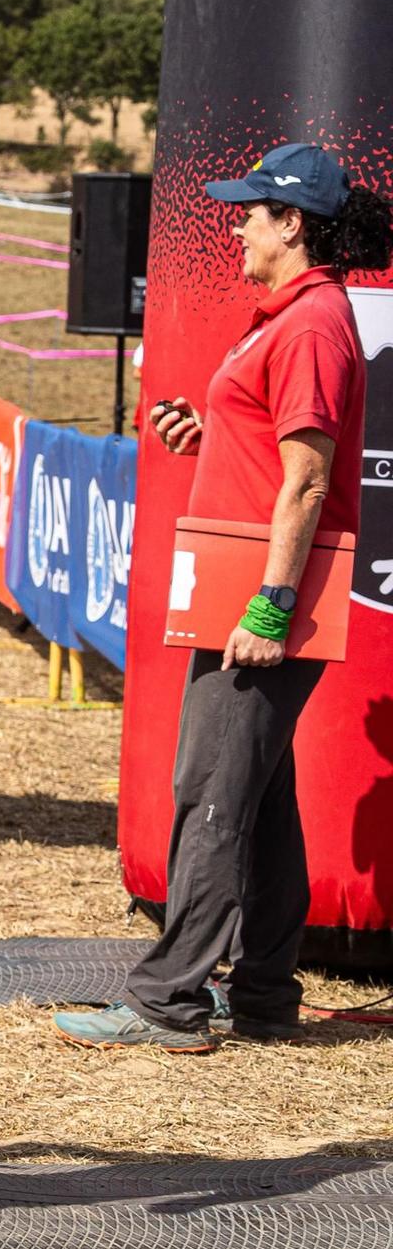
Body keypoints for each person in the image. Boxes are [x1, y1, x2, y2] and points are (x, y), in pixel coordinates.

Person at [56, 144, 391, 1054]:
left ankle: (168, 999)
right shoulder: (292, 315)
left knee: (208, 790)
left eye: (250, 209)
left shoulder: (313, 322)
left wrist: (272, 607)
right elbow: (276, 457)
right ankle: (268, 993)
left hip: (260, 604)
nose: (235, 222)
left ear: (293, 224)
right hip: (246, 597)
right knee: (261, 798)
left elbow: (310, 480)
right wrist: (209, 431)